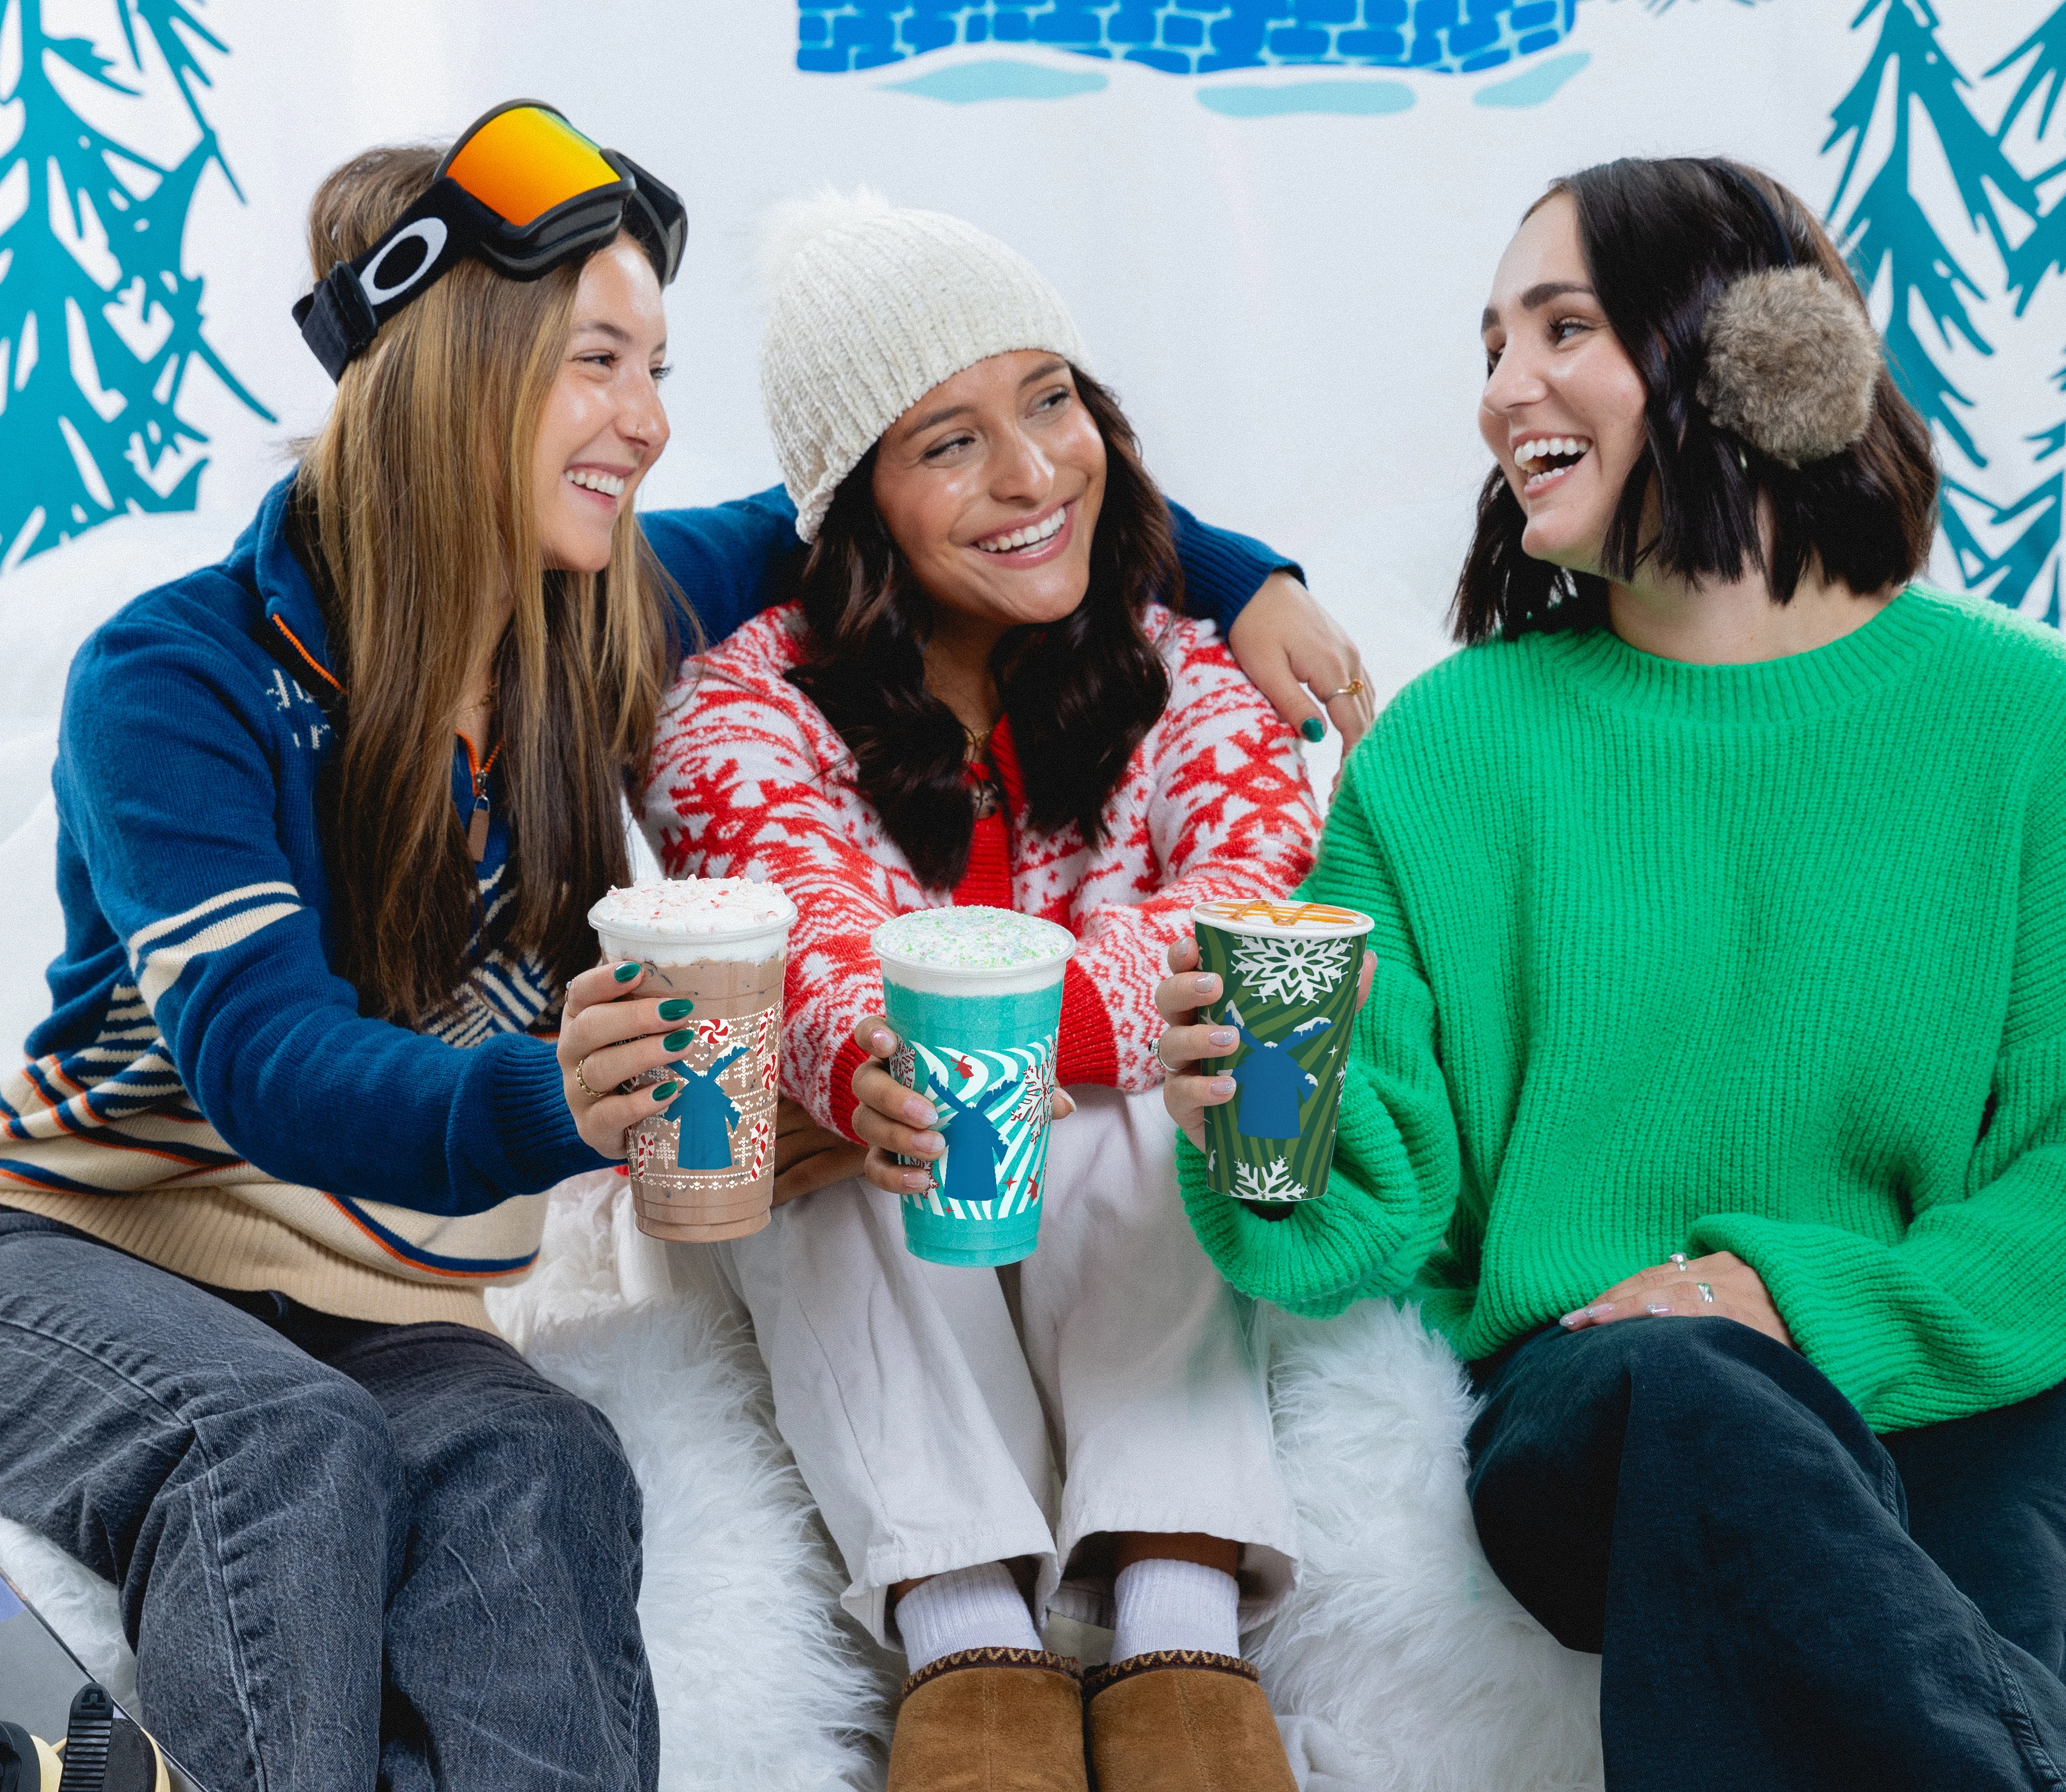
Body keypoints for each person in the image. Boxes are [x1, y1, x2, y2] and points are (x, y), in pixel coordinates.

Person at [0, 106, 1359, 1792]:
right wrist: (579, 1103)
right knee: (281, 1451)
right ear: (449, 371)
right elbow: (263, 1060)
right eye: (600, 361)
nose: (649, 423)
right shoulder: (180, 674)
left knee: (543, 1466)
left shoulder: (602, 613)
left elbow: (923, 487)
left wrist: (1245, 577)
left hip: (369, 1298)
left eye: (657, 368)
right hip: (80, 1248)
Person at [1156, 154, 2066, 1791]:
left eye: (1560, 328)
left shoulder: (2023, 724)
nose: (1506, 394)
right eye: (1489, 347)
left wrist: (1801, 1297)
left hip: (1944, 1375)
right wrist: (1248, 1115)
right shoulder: (1450, 750)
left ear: (1764, 354)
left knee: (2014, 1478)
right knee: (1693, 1394)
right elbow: (1367, 1216)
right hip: (1606, 1404)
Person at [614, 192, 1328, 1792]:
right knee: (814, 1115)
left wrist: (1016, 1031)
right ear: (858, 496)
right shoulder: (747, 697)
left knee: (1177, 1084)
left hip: (1113, 1196)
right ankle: (965, 1631)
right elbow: (790, 926)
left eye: (1054, 401)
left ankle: (1177, 1606)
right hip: (885, 1202)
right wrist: (881, 1051)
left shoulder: (1186, 671)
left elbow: (1249, 898)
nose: (1031, 473)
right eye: (947, 441)